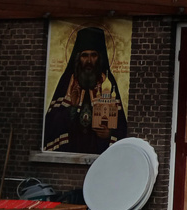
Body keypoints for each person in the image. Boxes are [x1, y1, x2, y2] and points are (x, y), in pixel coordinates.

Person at [43, 26, 128, 154]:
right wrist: (72, 107)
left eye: (93, 55)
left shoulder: (108, 84)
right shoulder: (68, 83)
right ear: (78, 58)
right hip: (71, 150)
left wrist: (109, 134)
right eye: (84, 56)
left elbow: (122, 126)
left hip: (99, 151)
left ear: (100, 58)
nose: (89, 61)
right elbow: (51, 126)